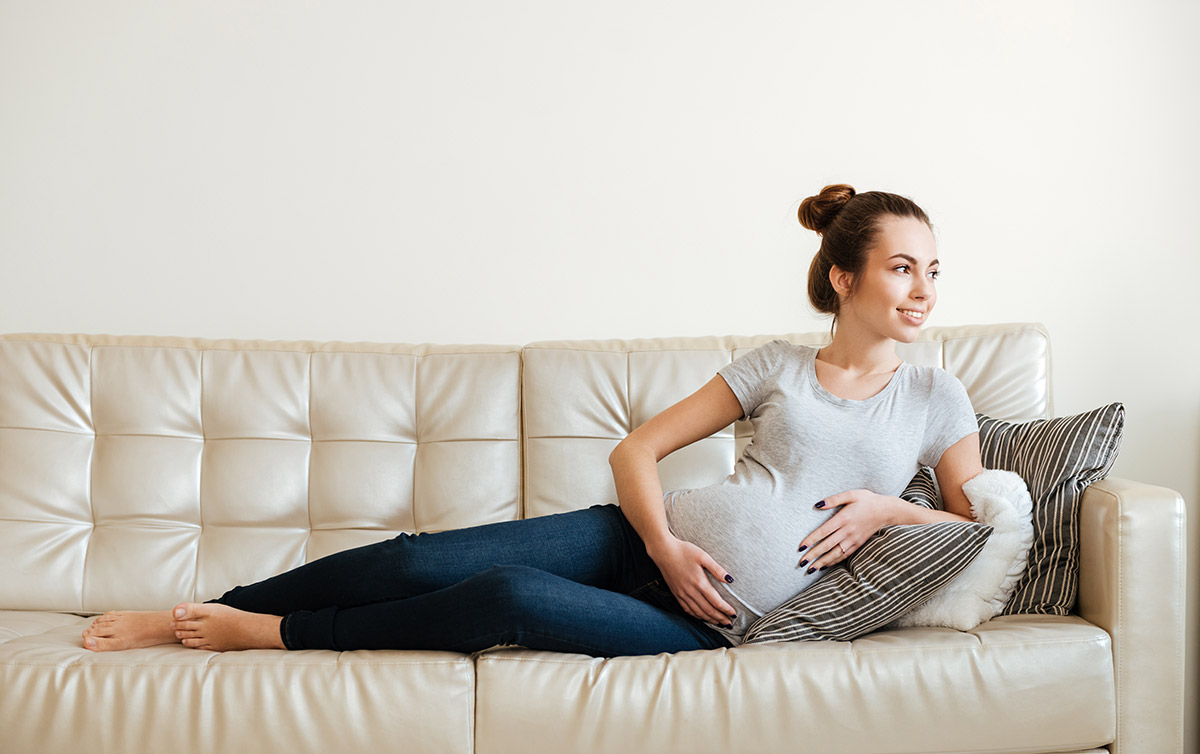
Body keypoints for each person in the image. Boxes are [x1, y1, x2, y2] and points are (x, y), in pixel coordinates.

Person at [81, 183, 983, 658]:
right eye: (903, 268)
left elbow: (980, 530)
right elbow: (637, 449)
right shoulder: (777, 365)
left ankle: (269, 632)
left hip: (713, 621)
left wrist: (890, 511)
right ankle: (203, 611)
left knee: (506, 597)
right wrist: (664, 543)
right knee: (414, 558)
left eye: (933, 271)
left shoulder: (937, 396)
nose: (924, 290)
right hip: (639, 544)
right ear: (843, 277)